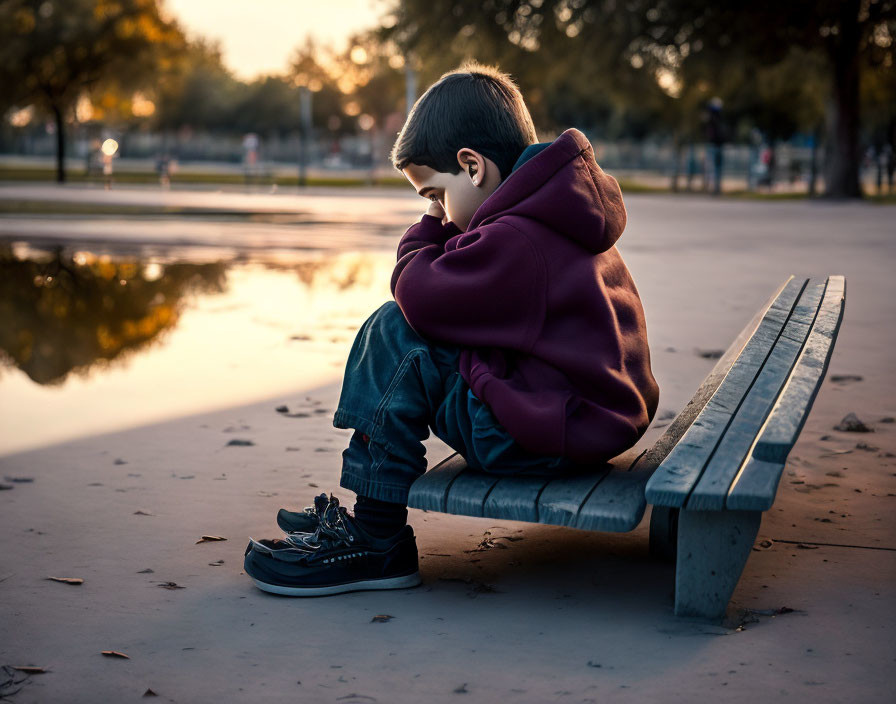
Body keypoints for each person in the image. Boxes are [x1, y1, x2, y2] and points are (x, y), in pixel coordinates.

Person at [243, 61, 660, 597]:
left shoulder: (518, 238)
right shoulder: (558, 215)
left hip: (538, 436)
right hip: (575, 420)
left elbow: (420, 296)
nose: (439, 212)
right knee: (419, 336)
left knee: (394, 332)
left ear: (472, 166)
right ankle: (370, 519)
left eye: (436, 194)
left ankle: (375, 536)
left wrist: (423, 234)